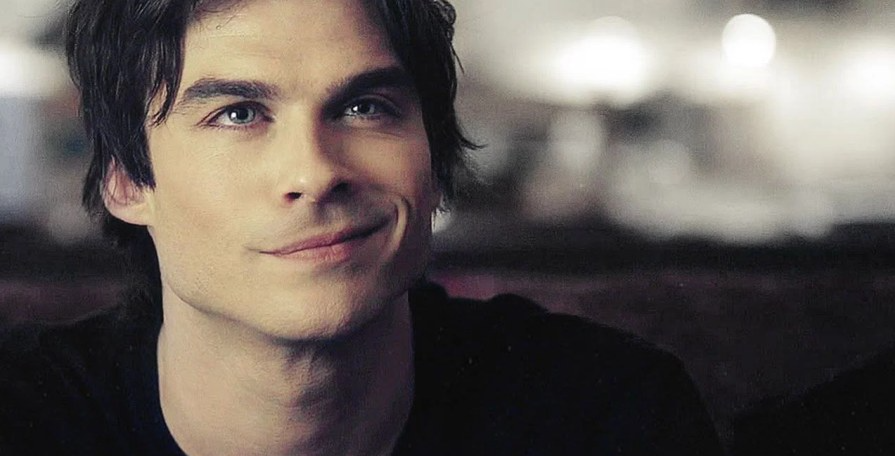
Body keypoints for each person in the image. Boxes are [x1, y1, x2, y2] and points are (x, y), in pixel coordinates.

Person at [0, 0, 724, 455]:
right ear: (127, 182)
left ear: (432, 157)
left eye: (364, 108)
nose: (315, 172)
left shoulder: (604, 412)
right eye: (237, 114)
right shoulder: (26, 418)